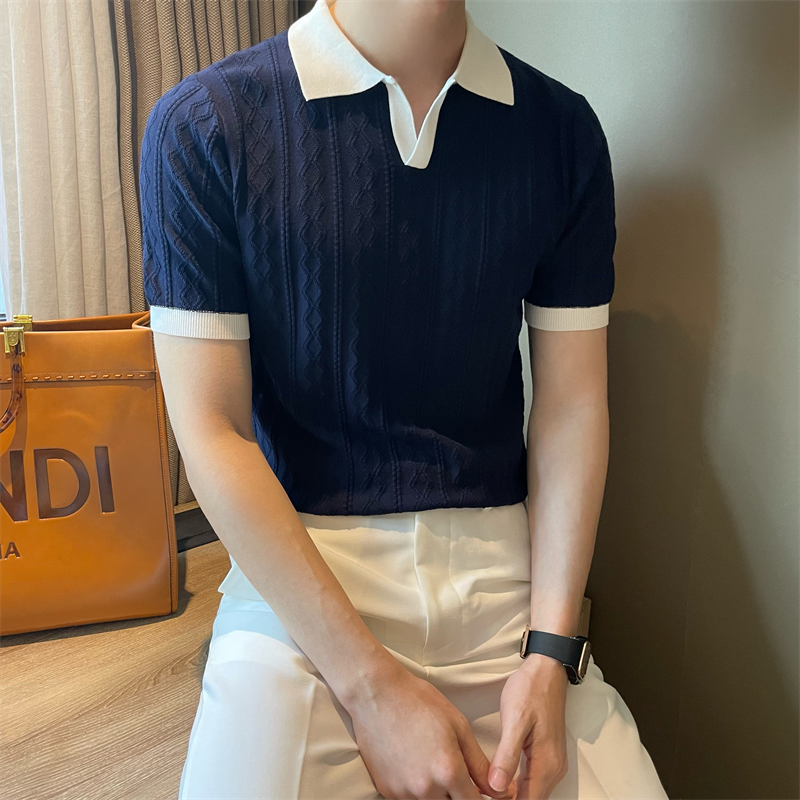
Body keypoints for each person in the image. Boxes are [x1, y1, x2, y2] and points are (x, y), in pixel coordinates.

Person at [140, 0, 669, 798]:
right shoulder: (206, 125)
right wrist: (369, 686)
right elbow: (212, 428)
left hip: (507, 583)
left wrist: (551, 653)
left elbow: (571, 407)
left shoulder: (561, 133)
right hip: (303, 579)